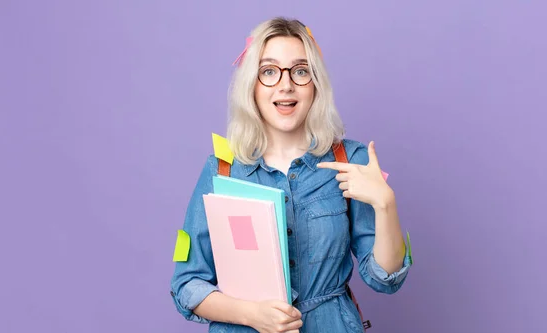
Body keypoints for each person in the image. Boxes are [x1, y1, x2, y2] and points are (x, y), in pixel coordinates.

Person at [170, 17, 412, 333]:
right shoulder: (221, 170)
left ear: (315, 85)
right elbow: (187, 283)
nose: (286, 85)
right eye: (269, 71)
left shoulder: (351, 160)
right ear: (252, 86)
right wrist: (250, 314)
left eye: (300, 71)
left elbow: (385, 279)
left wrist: (386, 205)